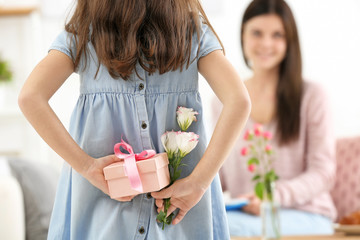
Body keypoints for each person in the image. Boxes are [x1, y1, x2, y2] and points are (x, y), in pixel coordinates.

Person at [18, 0, 251, 239]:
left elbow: (31, 97)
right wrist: (199, 182)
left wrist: (87, 167)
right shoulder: (191, 31)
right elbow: (239, 100)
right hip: (179, 210)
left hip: (105, 211)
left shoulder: (84, 32)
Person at [214, 0, 337, 236]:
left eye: (277, 35)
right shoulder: (222, 100)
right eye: (257, 33)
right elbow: (221, 175)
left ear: (290, 40)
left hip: (306, 214)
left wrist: (270, 197)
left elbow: (323, 172)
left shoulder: (312, 97)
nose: (266, 44)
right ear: (243, 36)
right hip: (243, 215)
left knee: (223, 229)